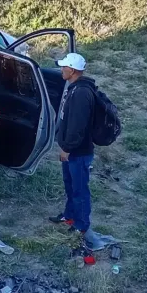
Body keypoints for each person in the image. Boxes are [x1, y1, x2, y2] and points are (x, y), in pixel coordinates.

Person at [49, 53, 95, 234]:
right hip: (71, 150)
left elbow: (78, 126)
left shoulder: (81, 94)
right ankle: (69, 215)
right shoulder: (74, 87)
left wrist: (67, 148)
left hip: (78, 152)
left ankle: (81, 225)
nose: (61, 70)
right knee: (70, 185)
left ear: (73, 70)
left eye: (64, 67)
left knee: (80, 190)